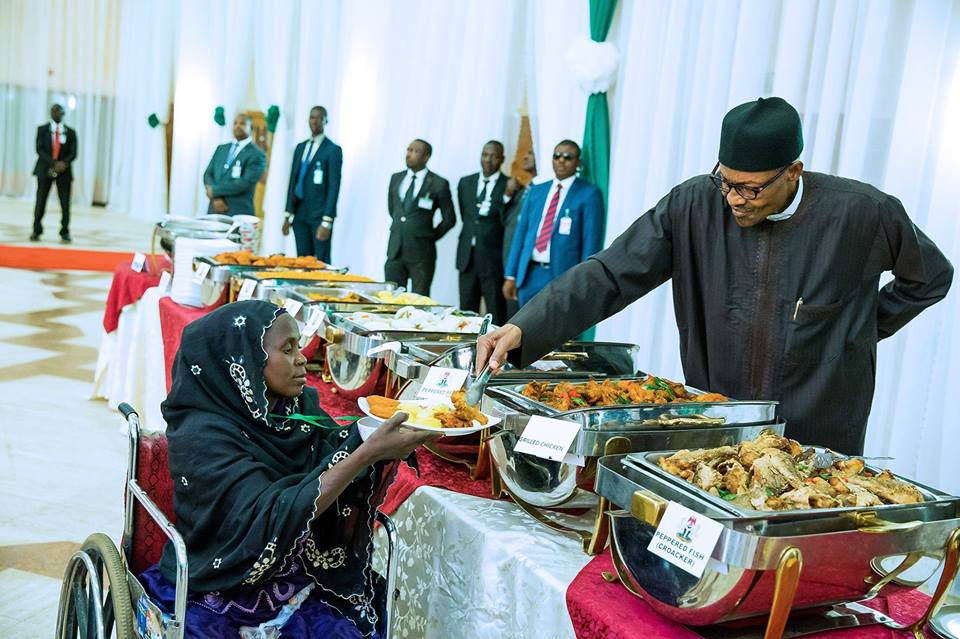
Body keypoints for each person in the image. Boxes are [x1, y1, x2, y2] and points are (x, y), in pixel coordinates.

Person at [476, 97, 953, 455]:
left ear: (793, 171)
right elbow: (611, 273)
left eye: (750, 188)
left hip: (820, 425)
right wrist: (525, 326)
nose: (734, 199)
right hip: (717, 416)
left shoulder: (862, 213)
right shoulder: (693, 205)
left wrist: (855, 331)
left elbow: (929, 277)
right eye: (726, 181)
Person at [140, 300, 436, 638]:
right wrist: (365, 454)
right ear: (243, 362)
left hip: (295, 570)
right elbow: (265, 516)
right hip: (224, 575)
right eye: (287, 348)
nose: (301, 358)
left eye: (299, 344)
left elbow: (333, 450)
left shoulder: (289, 410)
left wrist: (376, 437)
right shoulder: (203, 434)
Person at [503, 140, 604, 306]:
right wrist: (511, 275)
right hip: (529, 274)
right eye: (557, 156)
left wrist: (583, 281)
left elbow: (591, 242)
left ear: (578, 162)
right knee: (525, 330)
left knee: (558, 330)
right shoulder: (537, 191)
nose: (561, 161)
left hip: (563, 276)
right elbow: (521, 234)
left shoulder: (589, 194)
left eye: (568, 157)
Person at [384, 139, 456, 295]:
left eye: (415, 151)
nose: (409, 154)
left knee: (419, 301)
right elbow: (394, 210)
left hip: (422, 254)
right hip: (395, 250)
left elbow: (450, 219)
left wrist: (428, 235)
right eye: (408, 150)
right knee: (390, 298)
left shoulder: (438, 183)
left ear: (426, 157)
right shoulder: (396, 178)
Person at [456, 141, 512, 325]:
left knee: (496, 311)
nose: (488, 160)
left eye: (494, 156)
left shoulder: (509, 185)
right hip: (467, 257)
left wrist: (507, 197)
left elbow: (506, 221)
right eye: (485, 154)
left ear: (502, 159)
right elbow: (467, 215)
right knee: (465, 312)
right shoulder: (465, 182)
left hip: (492, 260)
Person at [284, 106, 343, 262]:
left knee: (321, 261)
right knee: (303, 260)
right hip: (300, 213)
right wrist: (287, 213)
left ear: (326, 121)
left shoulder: (332, 150)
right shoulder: (301, 147)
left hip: (319, 215)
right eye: (312, 117)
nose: (314, 121)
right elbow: (293, 180)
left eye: (319, 118)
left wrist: (327, 221)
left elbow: (334, 187)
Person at [203, 114, 267, 216]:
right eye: (235, 123)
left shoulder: (257, 154)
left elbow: (245, 183)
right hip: (214, 209)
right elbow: (208, 174)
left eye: (242, 123)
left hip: (238, 212)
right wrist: (216, 198)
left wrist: (214, 191)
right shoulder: (221, 148)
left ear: (250, 128)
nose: (237, 126)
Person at [31, 104, 77, 242]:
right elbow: (39, 149)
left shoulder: (70, 132)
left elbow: (73, 153)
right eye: (54, 111)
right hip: (45, 169)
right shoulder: (42, 130)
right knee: (40, 201)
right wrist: (53, 163)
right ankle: (36, 229)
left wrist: (62, 164)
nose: (56, 114)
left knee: (65, 203)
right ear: (50, 113)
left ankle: (64, 231)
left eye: (59, 112)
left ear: (63, 114)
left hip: (64, 172)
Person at [502, 149, 537, 318]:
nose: (525, 157)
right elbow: (505, 220)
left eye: (531, 154)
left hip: (526, 267)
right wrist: (508, 194)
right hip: (510, 258)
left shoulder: (542, 191)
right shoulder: (524, 189)